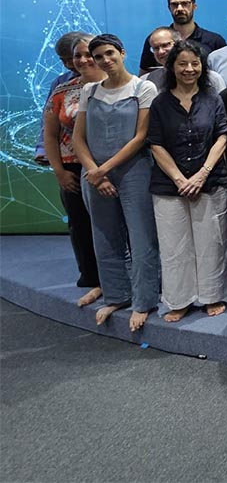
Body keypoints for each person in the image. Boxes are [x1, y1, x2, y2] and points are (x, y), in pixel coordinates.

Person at [72, 34, 160, 332]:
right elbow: (78, 138)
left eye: (109, 53)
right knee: (104, 236)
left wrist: (104, 170)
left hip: (134, 172)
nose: (104, 60)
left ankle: (144, 301)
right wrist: (94, 172)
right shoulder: (89, 91)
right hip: (94, 175)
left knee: (141, 236)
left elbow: (141, 136)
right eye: (98, 57)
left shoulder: (143, 88)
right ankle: (116, 296)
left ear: (122, 53)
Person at [146, 41, 227, 322]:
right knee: (174, 246)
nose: (189, 69)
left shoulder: (212, 98)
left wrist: (202, 174)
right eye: (182, 63)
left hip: (210, 180)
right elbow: (155, 144)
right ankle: (179, 300)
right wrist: (180, 179)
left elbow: (222, 136)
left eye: (195, 63)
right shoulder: (160, 102)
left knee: (212, 242)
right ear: (171, 67)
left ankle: (212, 296)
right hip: (169, 185)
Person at [43, 35, 103, 307]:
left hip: (111, 165)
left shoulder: (119, 85)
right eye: (77, 55)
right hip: (72, 168)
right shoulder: (61, 91)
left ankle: (119, 275)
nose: (83, 60)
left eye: (89, 54)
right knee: (80, 222)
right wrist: (59, 171)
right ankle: (90, 275)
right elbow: (50, 134)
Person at [137, 0, 226, 74]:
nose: (179, 8)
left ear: (194, 6)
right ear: (169, 8)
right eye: (174, 4)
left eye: (185, 3)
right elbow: (144, 76)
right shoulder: (156, 41)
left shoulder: (215, 41)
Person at [34, 31, 87, 164]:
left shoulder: (109, 80)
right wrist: (43, 149)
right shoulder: (60, 84)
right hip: (71, 159)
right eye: (63, 60)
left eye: (71, 58)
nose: (68, 65)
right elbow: (48, 121)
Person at [142, 27, 226, 94]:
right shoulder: (147, 80)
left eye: (165, 45)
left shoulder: (213, 79)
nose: (161, 51)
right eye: (156, 48)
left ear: (179, 43)